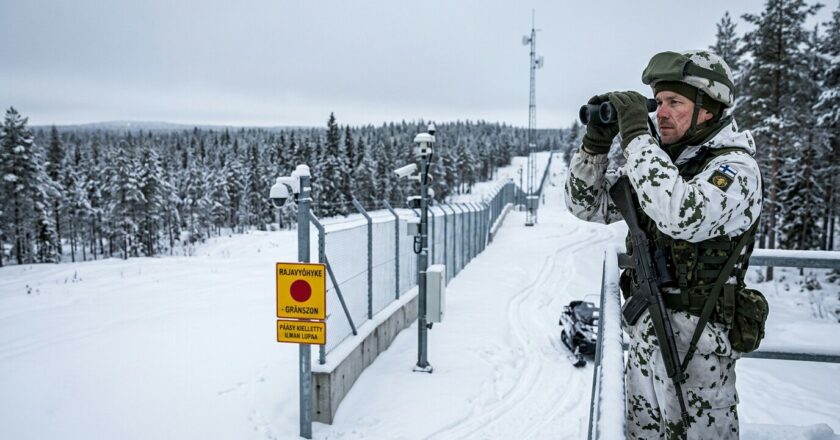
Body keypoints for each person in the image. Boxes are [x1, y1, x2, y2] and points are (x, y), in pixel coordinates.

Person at [564, 50, 763, 439]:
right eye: (656, 103)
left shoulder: (735, 169)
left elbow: (681, 215)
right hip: (645, 339)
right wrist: (595, 146)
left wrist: (638, 136)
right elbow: (585, 206)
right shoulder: (664, 165)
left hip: (698, 353)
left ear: (708, 109)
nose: (661, 113)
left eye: (675, 102)